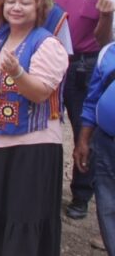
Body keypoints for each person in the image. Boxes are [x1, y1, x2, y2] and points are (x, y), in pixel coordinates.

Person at [0, 0, 68, 256]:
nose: (16, 7)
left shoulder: (46, 43)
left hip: (32, 144)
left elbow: (40, 92)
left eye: (25, 2)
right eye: (11, 1)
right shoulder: (0, 39)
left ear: (39, 8)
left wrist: (17, 73)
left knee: (22, 211)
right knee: (0, 207)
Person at [43, 0, 115, 219]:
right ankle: (44, 188)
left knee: (84, 130)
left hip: (85, 65)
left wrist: (106, 15)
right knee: (44, 126)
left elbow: (106, 41)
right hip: (47, 60)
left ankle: (82, 194)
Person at [75, 40, 115, 256]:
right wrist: (83, 140)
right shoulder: (108, 52)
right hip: (105, 143)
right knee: (107, 207)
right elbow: (92, 100)